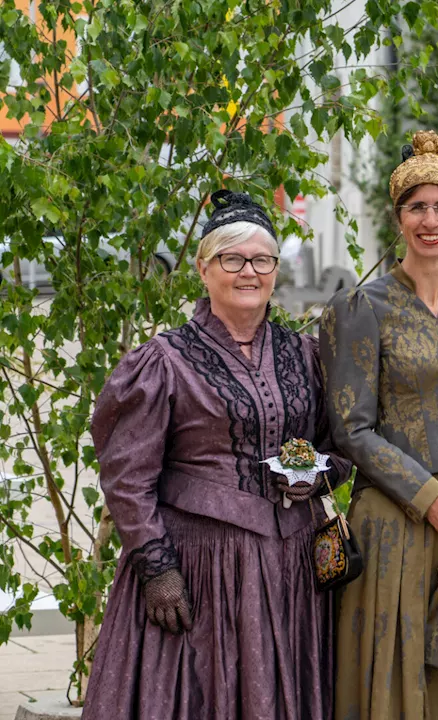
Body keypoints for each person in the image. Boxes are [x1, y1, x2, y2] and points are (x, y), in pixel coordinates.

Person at [83, 190, 352, 719]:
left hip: (293, 569)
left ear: (275, 270)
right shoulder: (164, 361)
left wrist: (315, 477)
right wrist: (156, 568)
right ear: (204, 269)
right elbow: (127, 479)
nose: (248, 272)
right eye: (232, 259)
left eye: (261, 260)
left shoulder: (305, 354)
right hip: (202, 567)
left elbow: (338, 446)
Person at [324, 130, 438, 719]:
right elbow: (351, 429)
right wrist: (430, 498)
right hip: (396, 521)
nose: (431, 220)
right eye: (417, 207)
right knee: (402, 676)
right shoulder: (362, 308)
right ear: (398, 217)